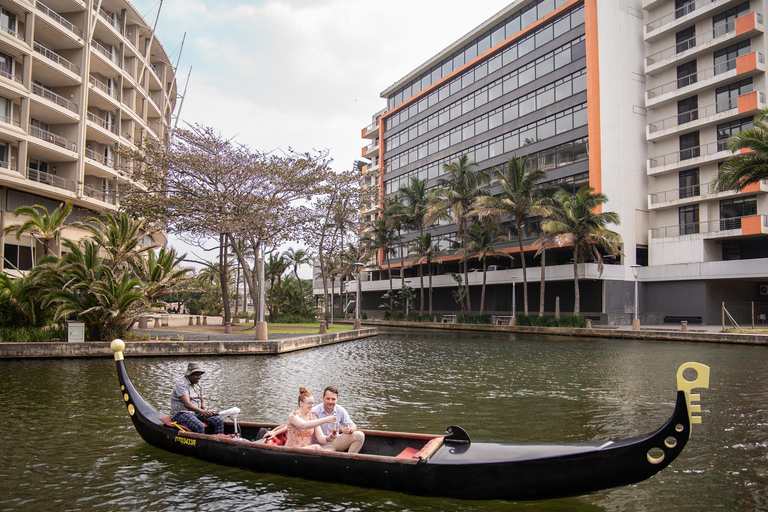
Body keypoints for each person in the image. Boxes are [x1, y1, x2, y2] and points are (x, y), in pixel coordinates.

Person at [169, 362, 224, 434]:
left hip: (196, 412)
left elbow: (201, 399)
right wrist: (201, 411)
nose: (199, 377)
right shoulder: (181, 385)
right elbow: (187, 404)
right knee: (198, 426)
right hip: (181, 413)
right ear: (189, 375)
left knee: (218, 420)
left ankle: (218, 441)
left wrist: (205, 409)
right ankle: (201, 444)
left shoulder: (197, 384)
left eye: (200, 375)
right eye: (196, 375)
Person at [311, 386, 365, 454]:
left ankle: (349, 460)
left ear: (337, 399)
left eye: (333, 399)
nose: (330, 402)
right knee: (325, 452)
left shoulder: (340, 410)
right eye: (328, 399)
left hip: (336, 442)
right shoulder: (314, 411)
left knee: (360, 435)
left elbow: (353, 426)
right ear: (323, 398)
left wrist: (349, 430)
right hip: (320, 446)